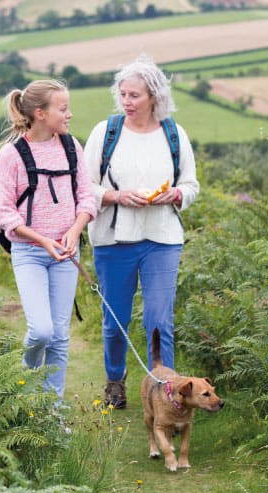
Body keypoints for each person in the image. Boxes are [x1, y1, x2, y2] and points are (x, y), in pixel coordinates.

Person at [82, 57, 199, 409]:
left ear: (154, 97)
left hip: (162, 237)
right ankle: (115, 382)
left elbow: (191, 185)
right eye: (123, 94)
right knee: (116, 320)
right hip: (113, 240)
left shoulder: (174, 134)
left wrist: (176, 194)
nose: (127, 101)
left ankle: (166, 394)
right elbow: (84, 187)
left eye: (135, 95)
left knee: (159, 319)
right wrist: (116, 195)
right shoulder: (106, 132)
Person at [0, 79, 96, 398]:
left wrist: (73, 232)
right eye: (62, 109)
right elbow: (4, 213)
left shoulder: (70, 147)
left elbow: (87, 197)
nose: (69, 115)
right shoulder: (11, 155)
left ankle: (53, 414)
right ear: (40, 113)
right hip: (29, 253)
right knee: (41, 331)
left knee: (60, 337)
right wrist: (43, 240)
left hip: (66, 254)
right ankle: (25, 385)